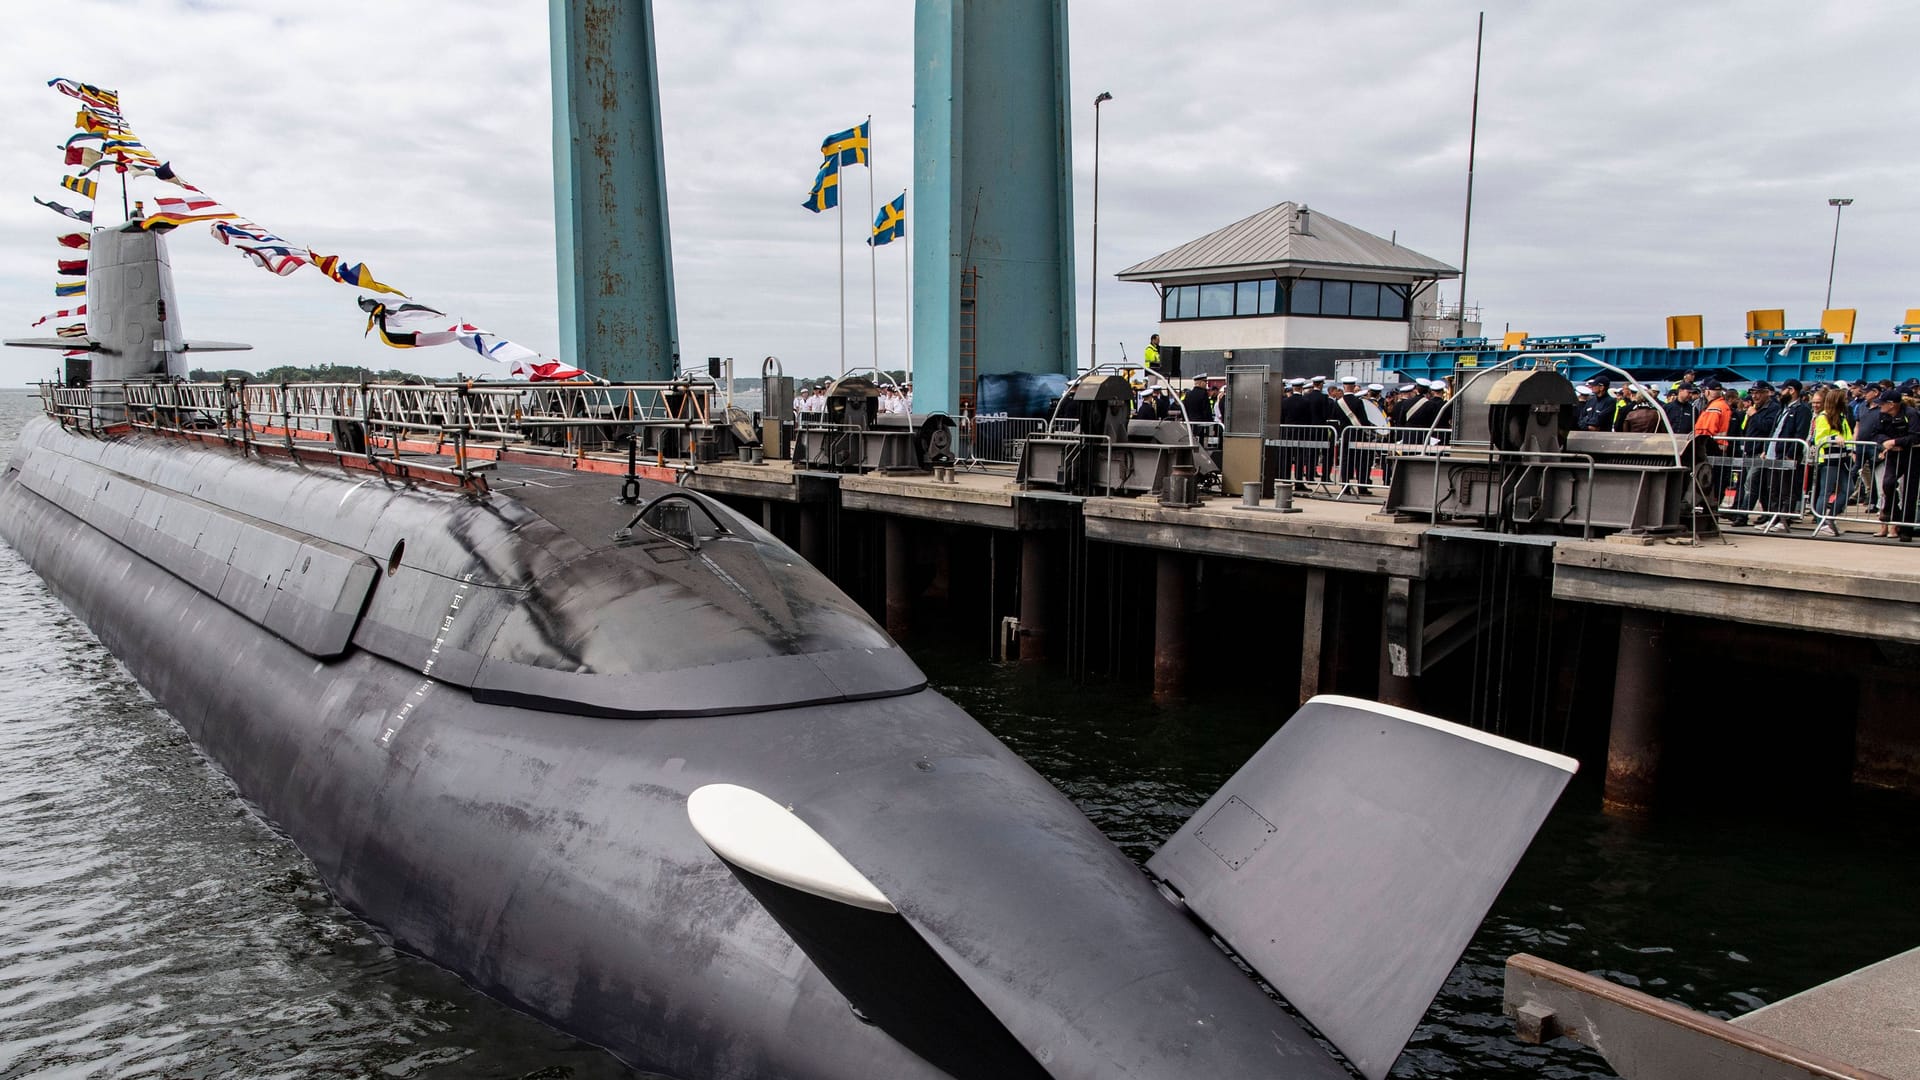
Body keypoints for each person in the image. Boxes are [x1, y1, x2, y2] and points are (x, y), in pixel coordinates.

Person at [1808, 386, 1854, 536]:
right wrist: (1833, 439)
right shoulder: (1823, 417)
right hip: (1828, 459)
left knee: (1849, 489)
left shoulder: (1841, 416)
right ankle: (1822, 521)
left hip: (1843, 459)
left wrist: (1851, 449)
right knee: (1825, 492)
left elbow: (1848, 436)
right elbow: (1818, 438)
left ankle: (1830, 517)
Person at [1876, 392, 1920, 539]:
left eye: (1882, 403)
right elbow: (1876, 433)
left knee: (1909, 492)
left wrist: (1896, 442)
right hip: (1893, 455)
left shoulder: (1911, 414)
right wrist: (1885, 443)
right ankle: (1893, 512)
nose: (1880, 405)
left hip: (1912, 455)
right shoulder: (1883, 415)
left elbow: (1915, 436)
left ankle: (1906, 529)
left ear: (1892, 404)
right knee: (1888, 483)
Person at [1692, 380, 1733, 508]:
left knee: (1710, 478)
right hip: (1717, 446)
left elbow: (1707, 429)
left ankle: (1709, 504)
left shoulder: (1715, 407)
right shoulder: (1720, 405)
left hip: (1711, 446)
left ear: (1708, 391)